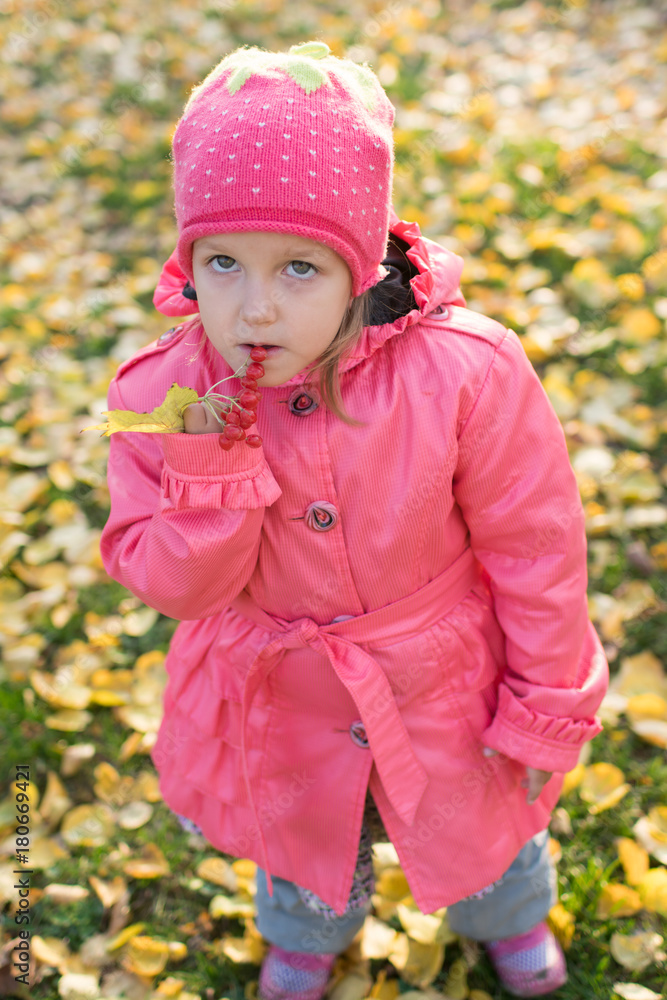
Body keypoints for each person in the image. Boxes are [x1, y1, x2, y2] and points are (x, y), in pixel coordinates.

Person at [100, 40, 609, 1000]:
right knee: (300, 841)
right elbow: (167, 582)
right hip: (276, 692)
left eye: (298, 267)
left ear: (358, 258)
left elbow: (534, 547)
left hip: (443, 684)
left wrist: (544, 698)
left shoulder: (467, 373)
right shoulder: (165, 394)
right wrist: (209, 471)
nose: (253, 308)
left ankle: (506, 920)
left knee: (481, 833)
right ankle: (305, 937)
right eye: (223, 263)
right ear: (187, 258)